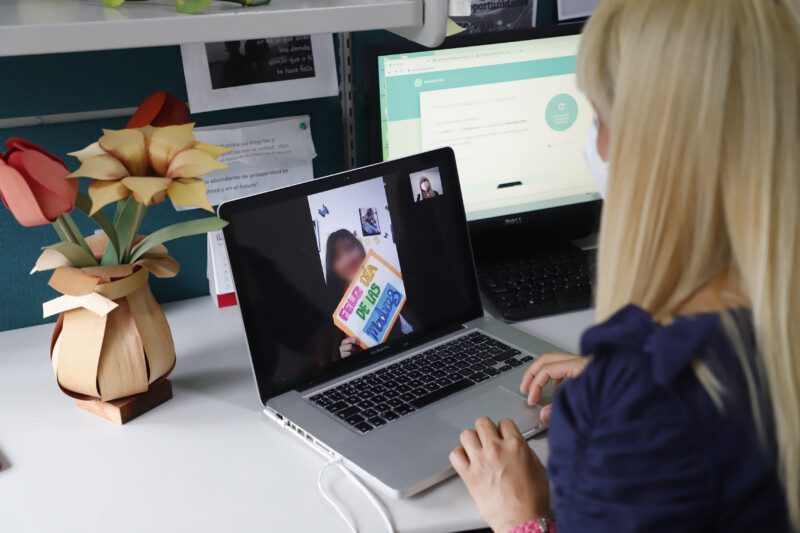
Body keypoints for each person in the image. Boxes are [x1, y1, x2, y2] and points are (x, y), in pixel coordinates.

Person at [450, 1, 799, 531]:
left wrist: (521, 516)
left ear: (655, 152)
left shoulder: (640, 414)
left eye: (601, 117)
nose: (597, 142)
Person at [323, 229, 413, 359]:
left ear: (360, 249)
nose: (348, 259)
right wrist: (345, 357)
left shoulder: (389, 279)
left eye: (350, 248)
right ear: (332, 268)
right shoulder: (335, 313)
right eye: (338, 257)